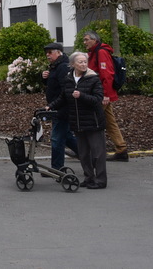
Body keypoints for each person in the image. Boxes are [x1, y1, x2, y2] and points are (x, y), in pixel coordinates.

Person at [47, 51, 107, 189]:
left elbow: (98, 99)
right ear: (73, 64)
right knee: (84, 153)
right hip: (77, 121)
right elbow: (63, 97)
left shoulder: (93, 79)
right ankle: (88, 178)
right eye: (80, 62)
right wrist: (50, 106)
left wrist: (81, 95)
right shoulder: (69, 79)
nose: (83, 64)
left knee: (97, 154)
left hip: (93, 122)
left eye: (85, 62)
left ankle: (101, 180)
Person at [84, 30, 128, 161]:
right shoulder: (96, 52)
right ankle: (121, 149)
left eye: (86, 39)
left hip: (101, 95)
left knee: (91, 120)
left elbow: (106, 75)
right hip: (102, 94)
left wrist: (105, 95)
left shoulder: (101, 53)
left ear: (94, 40)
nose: (84, 42)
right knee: (109, 122)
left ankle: (85, 149)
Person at [42, 41, 78, 171]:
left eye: (50, 52)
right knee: (67, 137)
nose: (48, 55)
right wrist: (45, 78)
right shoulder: (56, 66)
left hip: (62, 109)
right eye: (47, 53)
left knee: (57, 139)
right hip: (58, 107)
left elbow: (65, 90)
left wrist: (54, 105)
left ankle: (56, 169)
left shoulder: (63, 67)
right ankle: (88, 156)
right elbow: (54, 85)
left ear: (59, 52)